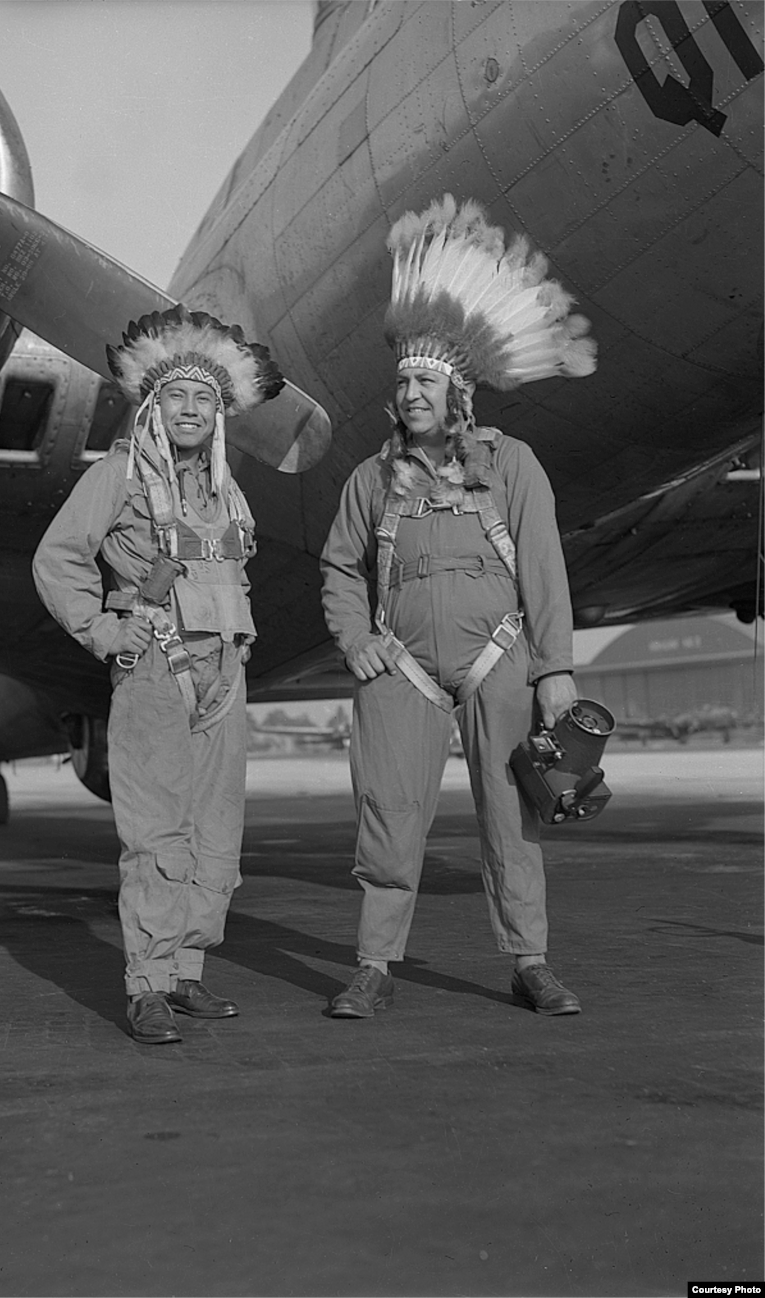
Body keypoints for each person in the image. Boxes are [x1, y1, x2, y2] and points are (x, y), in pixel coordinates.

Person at [320, 195, 597, 1019]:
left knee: (513, 815)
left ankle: (530, 961)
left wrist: (556, 673)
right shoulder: (369, 481)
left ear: (458, 393)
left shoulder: (512, 466)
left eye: (426, 381)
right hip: (399, 670)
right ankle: (374, 964)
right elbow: (339, 569)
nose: (411, 393)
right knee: (388, 814)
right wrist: (356, 639)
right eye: (403, 380)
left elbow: (544, 571)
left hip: (501, 661)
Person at [33, 306, 284, 1044]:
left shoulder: (226, 492)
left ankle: (186, 974)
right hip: (154, 670)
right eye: (176, 396)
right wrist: (108, 633)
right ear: (153, 405)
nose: (190, 410)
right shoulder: (118, 476)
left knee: (217, 837)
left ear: (219, 415)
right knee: (157, 836)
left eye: (204, 400)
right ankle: (146, 983)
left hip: (225, 675)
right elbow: (58, 561)